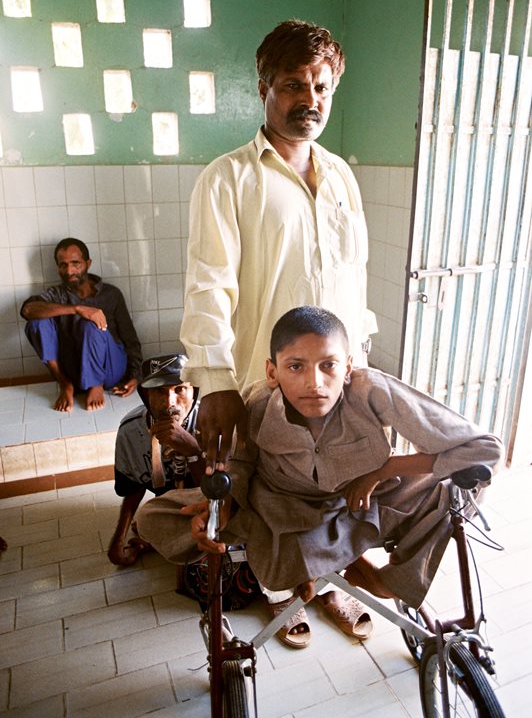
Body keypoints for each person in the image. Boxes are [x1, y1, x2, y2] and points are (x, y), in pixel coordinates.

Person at [136, 307, 503, 644]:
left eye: (328, 365)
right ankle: (337, 563)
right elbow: (242, 464)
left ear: (348, 367)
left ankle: (377, 578)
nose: (315, 383)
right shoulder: (259, 403)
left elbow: (485, 448)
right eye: (296, 367)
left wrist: (384, 470)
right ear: (271, 372)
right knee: (153, 517)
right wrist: (224, 503)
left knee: (459, 487)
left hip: (363, 500)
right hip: (284, 511)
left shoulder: (371, 391)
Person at [180, 19, 377, 467]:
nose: (311, 100)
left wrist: (360, 366)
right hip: (263, 392)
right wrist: (216, 383)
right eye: (294, 85)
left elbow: (354, 278)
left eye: (322, 88)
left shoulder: (341, 176)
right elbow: (208, 288)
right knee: (263, 518)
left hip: (338, 388)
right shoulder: (227, 179)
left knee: (336, 512)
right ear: (263, 87)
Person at [21, 237, 142, 412]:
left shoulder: (111, 294)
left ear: (88, 263)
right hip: (74, 370)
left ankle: (96, 384)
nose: (69, 270)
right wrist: (77, 309)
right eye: (63, 265)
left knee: (90, 324)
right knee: (37, 322)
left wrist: (136, 376)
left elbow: (130, 339)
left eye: (75, 263)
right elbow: (27, 310)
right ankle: (65, 384)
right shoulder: (57, 294)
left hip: (110, 368)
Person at [107, 350, 202, 566]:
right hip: (171, 506)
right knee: (148, 520)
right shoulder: (131, 431)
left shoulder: (210, 423)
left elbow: (220, 495)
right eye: (159, 392)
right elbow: (134, 485)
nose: (170, 403)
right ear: (144, 394)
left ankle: (156, 542)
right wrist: (117, 541)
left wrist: (193, 451)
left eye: (179, 390)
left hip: (205, 504)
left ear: (194, 391)